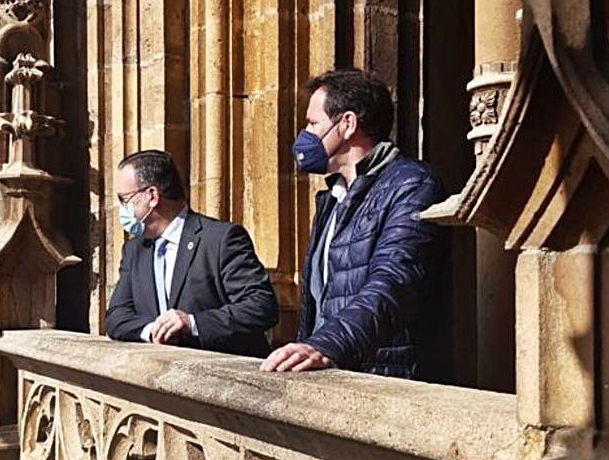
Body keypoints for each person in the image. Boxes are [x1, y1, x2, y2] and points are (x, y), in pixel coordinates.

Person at [261, 69, 446, 375]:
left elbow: (394, 282)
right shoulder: (332, 197)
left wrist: (325, 346)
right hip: (334, 375)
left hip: (385, 380)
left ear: (346, 124)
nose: (305, 135)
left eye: (312, 123)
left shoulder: (412, 185)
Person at [105, 150, 278, 358]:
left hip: (219, 376)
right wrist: (153, 330)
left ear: (152, 196)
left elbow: (261, 306)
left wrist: (192, 323)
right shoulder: (135, 250)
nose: (122, 209)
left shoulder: (220, 239)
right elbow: (116, 317)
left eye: (125, 199)